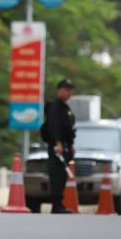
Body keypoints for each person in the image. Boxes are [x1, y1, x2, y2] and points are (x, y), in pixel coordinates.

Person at [45, 78, 76, 214]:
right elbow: (54, 126)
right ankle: (56, 205)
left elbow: (68, 128)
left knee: (63, 175)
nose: (68, 93)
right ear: (59, 91)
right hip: (57, 147)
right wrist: (58, 143)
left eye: (70, 90)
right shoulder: (55, 107)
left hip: (65, 146)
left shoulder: (65, 108)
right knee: (57, 176)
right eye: (66, 90)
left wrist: (71, 144)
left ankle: (59, 204)